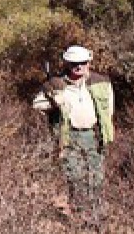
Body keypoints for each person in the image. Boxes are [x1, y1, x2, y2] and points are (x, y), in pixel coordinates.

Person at [33, 45, 115, 217]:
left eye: (83, 62)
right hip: (69, 136)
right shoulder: (55, 84)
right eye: (74, 63)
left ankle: (96, 214)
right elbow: (37, 105)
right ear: (67, 63)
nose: (79, 67)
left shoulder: (101, 82)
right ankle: (80, 213)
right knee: (75, 176)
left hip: (94, 135)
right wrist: (54, 102)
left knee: (96, 176)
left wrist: (104, 130)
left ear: (89, 62)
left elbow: (109, 108)